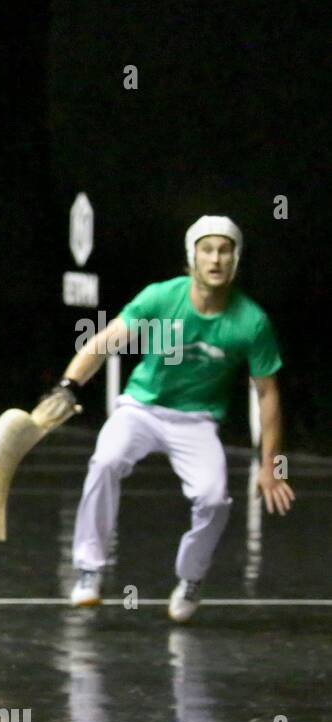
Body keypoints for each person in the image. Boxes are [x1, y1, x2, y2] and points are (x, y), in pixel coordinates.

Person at [46, 216, 293, 621]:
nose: (215, 259)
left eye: (225, 250)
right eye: (207, 250)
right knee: (105, 461)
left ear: (236, 259)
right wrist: (68, 385)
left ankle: (191, 579)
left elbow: (268, 394)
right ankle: (89, 570)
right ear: (191, 257)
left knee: (215, 499)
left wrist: (272, 467)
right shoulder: (161, 298)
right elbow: (105, 342)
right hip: (141, 408)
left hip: (196, 421)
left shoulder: (251, 321)